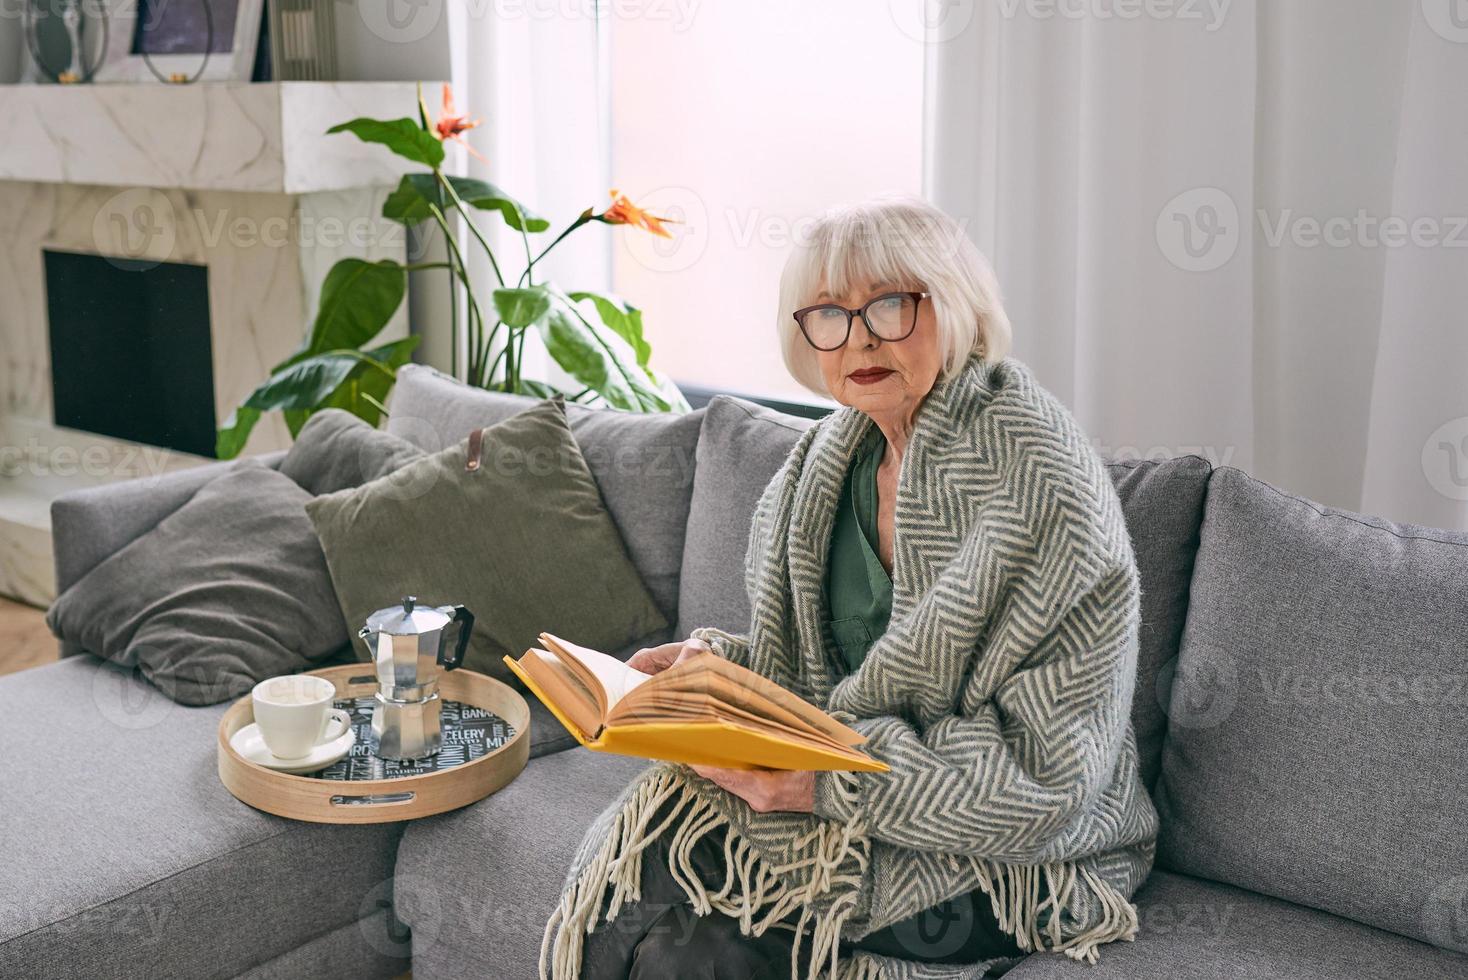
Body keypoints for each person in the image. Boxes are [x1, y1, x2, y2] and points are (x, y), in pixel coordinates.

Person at [545, 195, 1159, 980]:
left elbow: (1048, 776)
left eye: (893, 305)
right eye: (830, 314)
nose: (861, 337)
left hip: (1017, 850)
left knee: (697, 956)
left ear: (958, 307)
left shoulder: (1040, 482)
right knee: (625, 885)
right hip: (859, 786)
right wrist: (716, 668)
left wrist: (826, 784)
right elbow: (826, 672)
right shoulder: (826, 464)